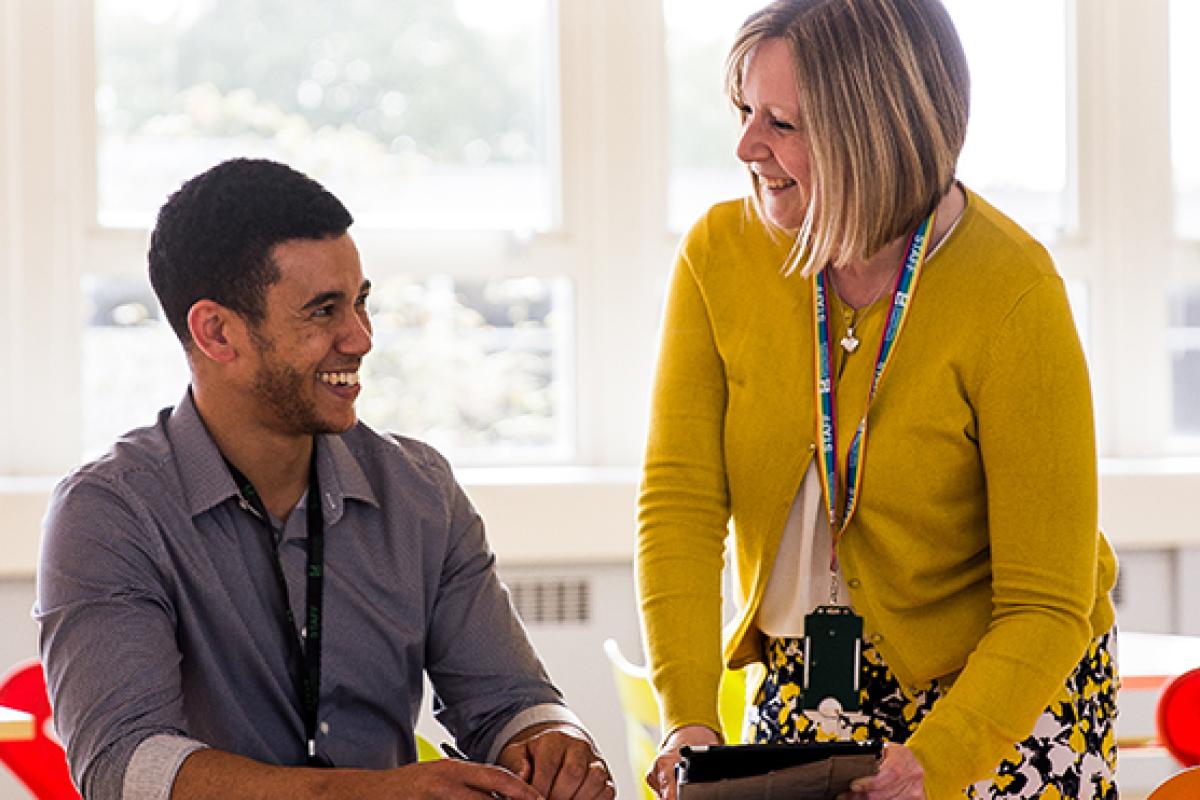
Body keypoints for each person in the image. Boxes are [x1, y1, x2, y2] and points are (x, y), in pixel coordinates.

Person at [636, 1, 1118, 799]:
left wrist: (945, 755)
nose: (746, 146)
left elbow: (1047, 600)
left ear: (874, 133)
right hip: (811, 683)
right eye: (744, 110)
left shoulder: (1013, 292)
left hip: (1002, 700)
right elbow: (679, 504)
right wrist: (688, 714)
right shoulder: (718, 256)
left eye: (782, 123)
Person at [36, 158, 615, 800]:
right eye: (323, 312)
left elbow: (510, 699)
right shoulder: (108, 513)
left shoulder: (419, 490)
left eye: (361, 301)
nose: (361, 338)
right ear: (217, 332)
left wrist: (554, 740)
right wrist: (367, 794)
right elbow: (123, 765)